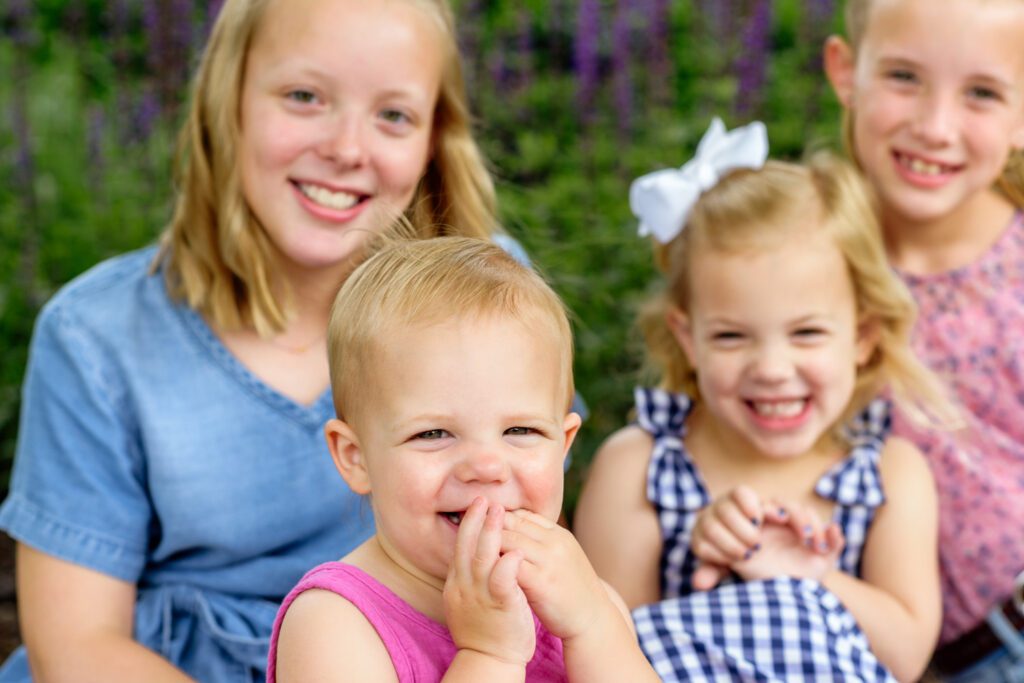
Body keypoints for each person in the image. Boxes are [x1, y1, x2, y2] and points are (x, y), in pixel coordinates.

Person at [0, 0, 523, 680]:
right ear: (229, 102)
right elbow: (78, 646)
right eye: (305, 97)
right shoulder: (97, 337)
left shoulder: (488, 308)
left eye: (393, 115)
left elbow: (523, 551)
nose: (346, 148)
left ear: (434, 138)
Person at [575, 118, 958, 682]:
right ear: (689, 338)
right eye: (731, 336)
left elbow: (904, 657)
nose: (772, 370)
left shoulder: (888, 475)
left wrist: (808, 575)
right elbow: (601, 656)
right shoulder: (639, 467)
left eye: (806, 333)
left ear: (863, 335)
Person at [266, 236, 657, 682]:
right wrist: (490, 656)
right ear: (356, 458)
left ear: (563, 444)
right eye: (432, 433)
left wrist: (593, 627)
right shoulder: (332, 623)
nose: (486, 467)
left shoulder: (585, 602)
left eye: (520, 431)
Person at [821, 0, 1024, 679]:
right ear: (845, 72)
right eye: (904, 77)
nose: (935, 127)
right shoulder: (808, 257)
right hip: (880, 646)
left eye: (982, 93)